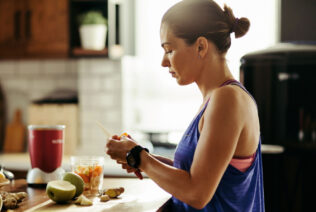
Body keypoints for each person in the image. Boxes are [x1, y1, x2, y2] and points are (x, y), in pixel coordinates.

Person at [105, 0, 264, 211]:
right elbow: (196, 173)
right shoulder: (216, 98)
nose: (164, 61)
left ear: (201, 46)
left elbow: (197, 193)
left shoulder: (228, 100)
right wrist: (141, 156)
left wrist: (139, 158)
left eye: (169, 50)